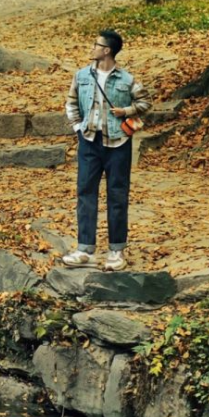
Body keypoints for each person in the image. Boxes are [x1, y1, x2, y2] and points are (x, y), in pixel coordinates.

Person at [61, 29, 149, 271]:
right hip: (89, 141)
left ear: (107, 50)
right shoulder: (81, 76)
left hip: (118, 143)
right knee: (85, 193)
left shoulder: (127, 79)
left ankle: (116, 251)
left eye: (96, 44)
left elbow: (144, 102)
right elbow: (71, 102)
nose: (92, 47)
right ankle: (84, 250)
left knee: (117, 196)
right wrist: (78, 127)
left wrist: (126, 111)